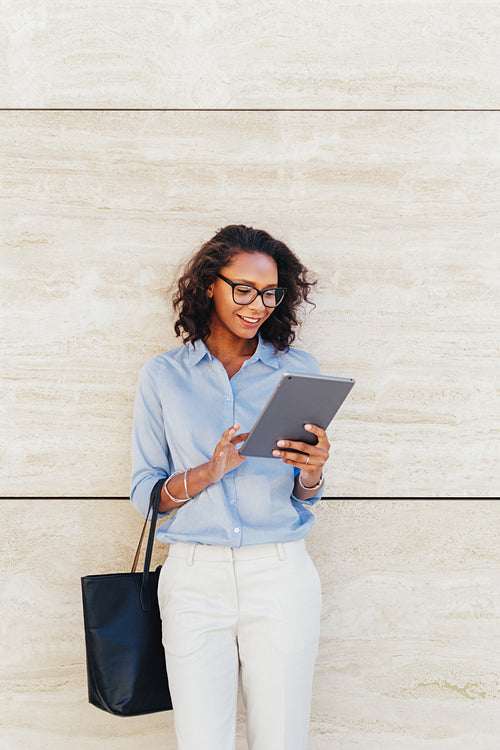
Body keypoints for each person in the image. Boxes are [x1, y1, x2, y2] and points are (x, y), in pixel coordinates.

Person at [130, 224, 330, 750]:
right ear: (209, 286)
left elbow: (301, 491)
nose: (257, 305)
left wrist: (312, 472)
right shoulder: (164, 376)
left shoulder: (296, 371)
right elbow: (145, 494)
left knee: (282, 739)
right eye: (243, 289)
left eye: (269, 293)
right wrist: (206, 473)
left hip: (280, 571)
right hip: (195, 577)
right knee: (201, 741)